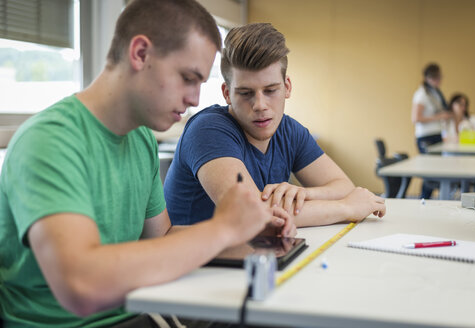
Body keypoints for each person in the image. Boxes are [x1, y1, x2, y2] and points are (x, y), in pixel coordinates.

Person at [0, 1, 293, 327]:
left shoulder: (139, 139)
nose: (195, 99)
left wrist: (245, 232)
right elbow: (80, 285)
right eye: (187, 78)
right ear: (140, 53)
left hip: (138, 311)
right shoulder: (49, 141)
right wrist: (221, 228)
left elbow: (161, 239)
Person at [164, 23, 386, 228]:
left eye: (270, 91)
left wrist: (303, 193)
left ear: (287, 87)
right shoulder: (207, 130)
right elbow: (252, 215)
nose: (260, 105)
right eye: (245, 93)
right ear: (227, 93)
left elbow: (343, 187)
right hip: (197, 268)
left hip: (250, 258)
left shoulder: (289, 130)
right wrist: (347, 208)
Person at [411, 63, 452, 199]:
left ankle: (427, 198)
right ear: (428, 78)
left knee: (436, 171)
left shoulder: (434, 93)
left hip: (436, 135)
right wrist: (439, 117)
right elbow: (416, 118)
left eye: (439, 77)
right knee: (430, 172)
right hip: (426, 137)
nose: (438, 81)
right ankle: (424, 198)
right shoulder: (422, 94)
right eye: (435, 78)